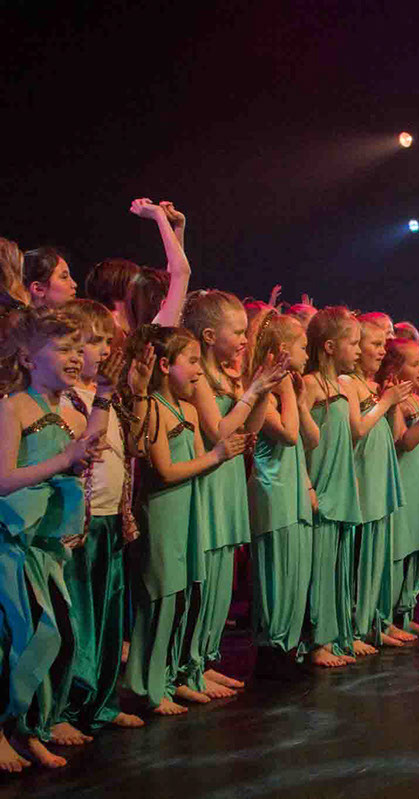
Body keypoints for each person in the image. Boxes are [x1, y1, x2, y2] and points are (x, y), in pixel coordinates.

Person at [0, 308, 106, 768]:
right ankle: (5, 729)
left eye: (77, 349)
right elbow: (3, 479)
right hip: (13, 542)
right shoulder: (13, 408)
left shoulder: (68, 413)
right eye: (63, 348)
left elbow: (84, 451)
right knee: (21, 637)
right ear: (28, 358)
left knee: (56, 633)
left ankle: (29, 728)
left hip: (46, 544)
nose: (75, 357)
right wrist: (64, 461)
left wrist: (105, 396)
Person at [125, 325, 247, 716]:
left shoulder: (189, 410)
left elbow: (200, 462)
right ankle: (145, 687)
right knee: (158, 599)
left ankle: (167, 679)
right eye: (191, 361)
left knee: (180, 598)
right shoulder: (152, 408)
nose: (198, 370)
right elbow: (164, 470)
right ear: (164, 365)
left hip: (187, 512)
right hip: (162, 513)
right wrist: (217, 455)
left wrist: (228, 451)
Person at [181, 290, 284, 696]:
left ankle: (205, 659)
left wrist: (263, 389)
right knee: (205, 576)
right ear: (209, 336)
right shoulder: (200, 379)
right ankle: (187, 665)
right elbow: (219, 431)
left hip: (230, 480)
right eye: (238, 332)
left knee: (222, 577)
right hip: (209, 479)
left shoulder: (230, 376)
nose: (244, 339)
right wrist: (251, 392)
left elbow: (249, 429)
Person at [58, 301, 146, 731]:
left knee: (109, 619)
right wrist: (108, 394)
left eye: (109, 342)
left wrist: (137, 392)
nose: (106, 351)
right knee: (80, 621)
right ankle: (67, 708)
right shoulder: (67, 398)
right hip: (81, 524)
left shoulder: (107, 396)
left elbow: (137, 446)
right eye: (95, 342)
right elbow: (85, 449)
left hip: (112, 517)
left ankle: (103, 704)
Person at [245, 310, 319, 679]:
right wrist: (287, 388)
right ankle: (272, 649)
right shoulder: (267, 394)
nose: (308, 354)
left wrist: (307, 484)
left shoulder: (290, 392)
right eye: (302, 347)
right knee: (275, 569)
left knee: (295, 569)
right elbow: (288, 435)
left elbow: (309, 440)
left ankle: (287, 645)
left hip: (293, 488)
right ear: (283, 352)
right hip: (272, 490)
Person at [302, 307, 366, 666]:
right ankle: (318, 641)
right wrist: (308, 485)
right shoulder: (311, 384)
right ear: (329, 346)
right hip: (322, 485)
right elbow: (300, 440)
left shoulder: (343, 386)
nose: (358, 350)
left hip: (342, 485)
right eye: (352, 343)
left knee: (340, 565)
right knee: (321, 566)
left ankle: (340, 634)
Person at [344, 313, 411, 651]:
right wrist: (386, 402)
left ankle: (372, 621)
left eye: (383, 344)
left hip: (380, 478)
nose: (382, 351)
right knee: (362, 556)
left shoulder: (373, 386)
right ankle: (355, 627)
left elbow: (394, 433)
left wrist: (390, 401)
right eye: (374, 344)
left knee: (378, 555)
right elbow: (356, 430)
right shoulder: (349, 383)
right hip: (363, 479)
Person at [378, 339, 419, 640]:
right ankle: (386, 616)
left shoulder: (414, 398)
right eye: (414, 364)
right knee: (400, 548)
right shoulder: (396, 402)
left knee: (417, 545)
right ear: (394, 369)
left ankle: (406, 612)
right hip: (403, 480)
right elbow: (405, 441)